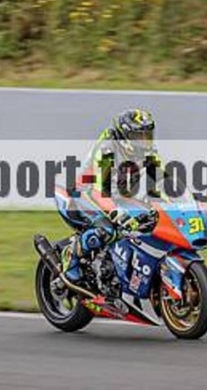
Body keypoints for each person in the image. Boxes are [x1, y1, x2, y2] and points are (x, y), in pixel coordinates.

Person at [57, 108, 161, 283]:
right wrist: (119, 214)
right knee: (108, 230)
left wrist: (179, 200)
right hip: (85, 193)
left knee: (149, 221)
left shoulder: (148, 152)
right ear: (124, 136)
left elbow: (163, 180)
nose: (144, 141)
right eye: (139, 137)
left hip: (116, 196)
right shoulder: (108, 150)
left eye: (147, 136)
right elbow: (99, 193)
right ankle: (71, 256)